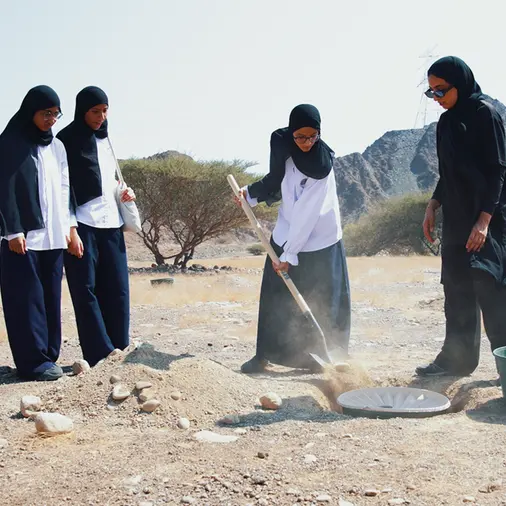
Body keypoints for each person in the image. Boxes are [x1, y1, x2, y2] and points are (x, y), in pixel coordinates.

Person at [236, 104, 351, 373]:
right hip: (288, 229)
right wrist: (248, 194)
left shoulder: (321, 166)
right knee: (276, 296)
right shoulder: (282, 145)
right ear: (291, 134)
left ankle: (324, 358)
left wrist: (289, 255)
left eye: (313, 136)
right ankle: (265, 354)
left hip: (320, 238)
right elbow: (275, 179)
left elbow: (307, 215)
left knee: (320, 298)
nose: (307, 143)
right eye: (301, 137)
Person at [417, 56, 506, 377]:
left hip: (488, 219)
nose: (437, 99)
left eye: (441, 91)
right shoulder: (446, 123)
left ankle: (503, 368)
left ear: (461, 83)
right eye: (431, 93)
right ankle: (456, 360)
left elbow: (497, 172)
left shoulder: (486, 114)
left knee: (490, 290)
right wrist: (433, 204)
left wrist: (483, 222)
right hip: (455, 218)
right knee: (456, 290)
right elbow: (448, 173)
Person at [0, 85, 77, 381]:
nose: (51, 120)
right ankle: (32, 362)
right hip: (23, 237)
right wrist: (12, 229)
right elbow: (4, 190)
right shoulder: (10, 143)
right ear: (31, 111)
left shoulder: (56, 147)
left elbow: (64, 188)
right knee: (24, 298)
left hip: (53, 234)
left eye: (56, 114)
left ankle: (49, 355)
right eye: (46, 113)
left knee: (49, 296)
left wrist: (70, 227)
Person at [57, 86, 135, 367]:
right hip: (82, 224)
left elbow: (110, 179)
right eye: (95, 111)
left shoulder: (107, 139)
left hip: (111, 222)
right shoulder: (64, 140)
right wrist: (70, 229)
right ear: (82, 110)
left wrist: (124, 191)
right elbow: (62, 188)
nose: (101, 117)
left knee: (117, 287)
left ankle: (120, 347)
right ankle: (99, 353)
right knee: (85, 289)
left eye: (104, 111)